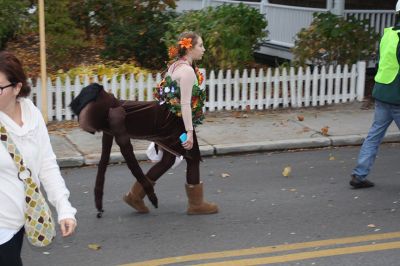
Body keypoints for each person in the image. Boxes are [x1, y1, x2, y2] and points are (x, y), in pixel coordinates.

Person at [71, 32, 218, 216]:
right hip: (172, 122)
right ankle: (196, 205)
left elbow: (165, 94)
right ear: (189, 48)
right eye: (201, 46)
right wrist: (189, 132)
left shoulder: (175, 65)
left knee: (168, 158)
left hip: (162, 116)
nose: (203, 49)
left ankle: (135, 195)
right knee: (192, 157)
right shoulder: (187, 71)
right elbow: (185, 104)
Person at [0, 51, 77, 265]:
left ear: (17, 87)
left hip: (20, 223)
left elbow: (46, 165)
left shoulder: (31, 112)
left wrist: (64, 209)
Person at [350, 2, 400, 189]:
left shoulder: (389, 34)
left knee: (373, 136)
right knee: (374, 136)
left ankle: (359, 175)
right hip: (397, 96)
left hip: (382, 93)